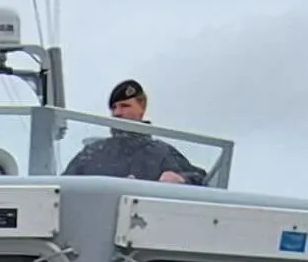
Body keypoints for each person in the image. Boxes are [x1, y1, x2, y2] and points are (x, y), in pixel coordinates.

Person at [62, 79, 208, 186]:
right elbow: (59, 186)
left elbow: (202, 179)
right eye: (114, 108)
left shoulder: (161, 153)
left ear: (142, 109)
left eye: (124, 106)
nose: (117, 112)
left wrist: (182, 179)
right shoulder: (92, 153)